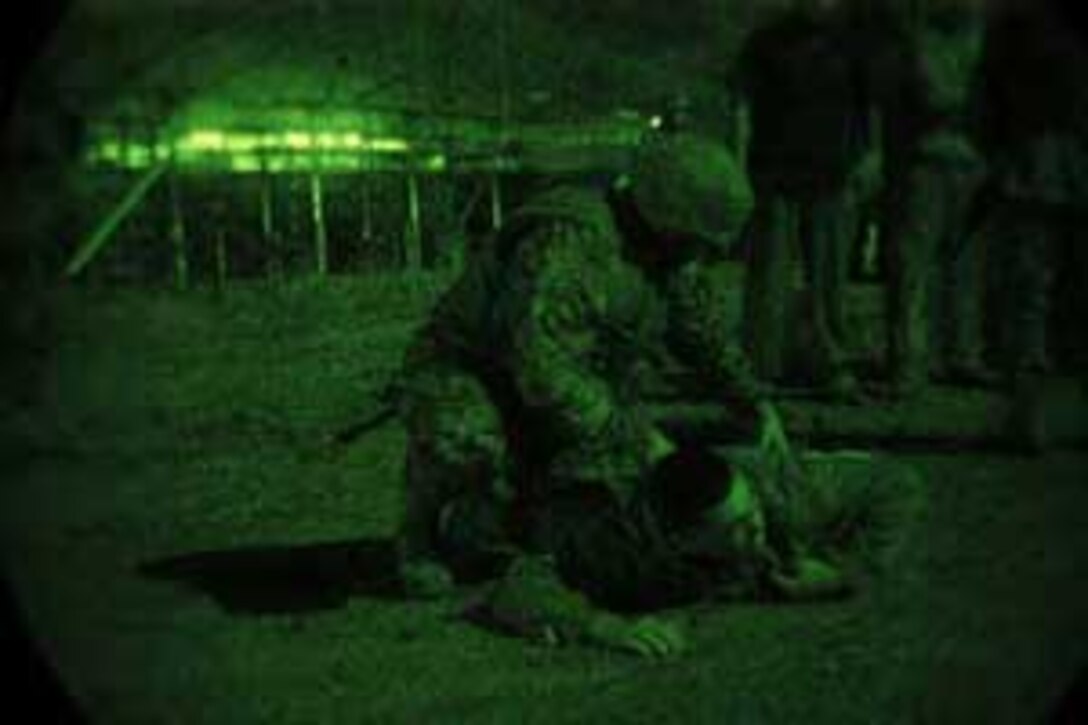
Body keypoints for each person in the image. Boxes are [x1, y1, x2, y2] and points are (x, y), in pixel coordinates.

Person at [390, 132, 925, 656]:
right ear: (668, 219)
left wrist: (750, 401)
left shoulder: (665, 252)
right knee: (466, 436)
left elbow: (700, 330)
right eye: (699, 244)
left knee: (592, 484)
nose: (704, 258)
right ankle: (420, 529)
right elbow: (536, 365)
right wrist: (631, 437)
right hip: (477, 376)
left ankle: (512, 515)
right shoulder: (570, 241)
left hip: (574, 389)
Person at [736, 0, 876, 400]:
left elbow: (869, 109)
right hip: (774, 172)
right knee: (769, 276)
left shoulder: (852, 44)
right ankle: (761, 365)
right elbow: (743, 106)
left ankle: (831, 364)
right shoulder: (766, 42)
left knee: (828, 278)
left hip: (832, 174)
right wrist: (740, 161)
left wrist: (870, 157)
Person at [975, 0, 1088, 448]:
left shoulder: (1015, 28)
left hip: (1031, 170)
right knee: (1049, 295)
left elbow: (988, 108)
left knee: (1029, 295)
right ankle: (1035, 417)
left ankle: (1030, 418)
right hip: (1054, 166)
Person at [868, 0, 993, 399]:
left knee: (965, 266)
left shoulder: (978, 43)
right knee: (914, 266)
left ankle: (961, 355)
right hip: (926, 164)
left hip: (971, 166)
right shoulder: (916, 46)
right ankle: (909, 361)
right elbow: (914, 104)